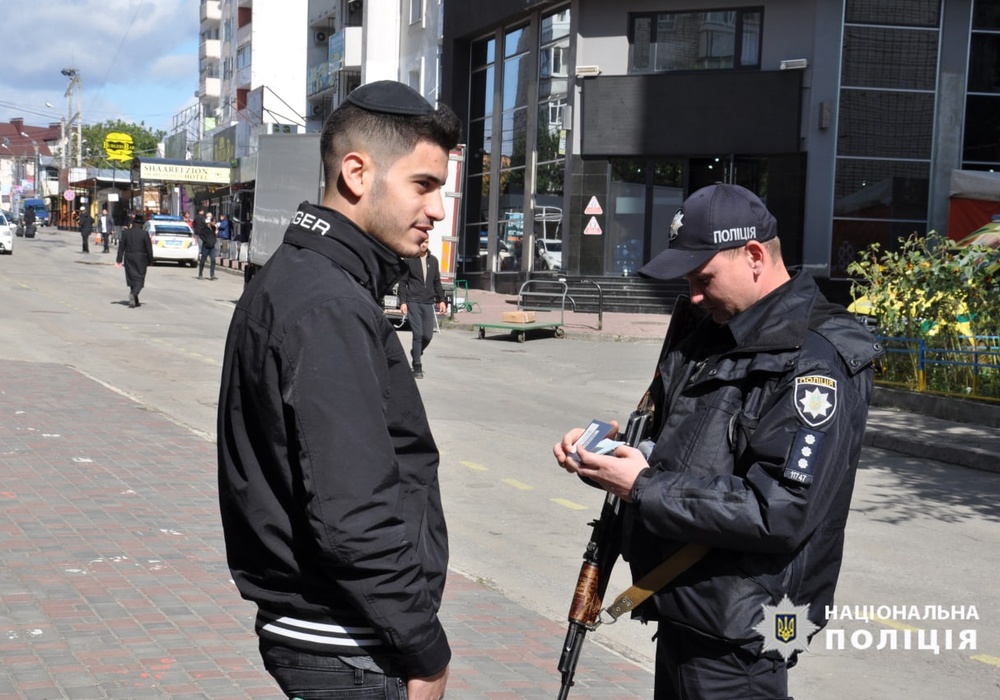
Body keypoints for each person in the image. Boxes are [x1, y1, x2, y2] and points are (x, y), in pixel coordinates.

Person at [554, 184, 883, 700]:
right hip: (685, 605)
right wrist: (621, 448)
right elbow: (689, 444)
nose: (694, 295)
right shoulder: (712, 330)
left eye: (702, 278)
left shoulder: (817, 360)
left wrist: (642, 486)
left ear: (754, 256)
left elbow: (779, 508)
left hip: (745, 637)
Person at [217, 80, 461, 700]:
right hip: (349, 645)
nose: (437, 210)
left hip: (332, 632)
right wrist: (425, 651)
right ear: (357, 173)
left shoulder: (303, 278)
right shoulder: (327, 304)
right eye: (424, 185)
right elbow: (353, 512)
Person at [398, 239, 446, 378]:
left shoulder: (434, 260)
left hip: (428, 302)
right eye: (421, 242)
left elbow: (437, 282)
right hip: (413, 301)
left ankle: (416, 352)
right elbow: (403, 282)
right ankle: (417, 365)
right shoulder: (409, 260)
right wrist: (403, 301)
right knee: (418, 334)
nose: (424, 245)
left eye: (426, 242)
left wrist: (441, 300)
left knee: (428, 336)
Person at [115, 212, 154, 308]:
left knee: (132, 277)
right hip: (141, 258)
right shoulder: (144, 234)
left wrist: (119, 260)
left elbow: (121, 247)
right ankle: (133, 293)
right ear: (141, 224)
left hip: (129, 257)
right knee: (140, 278)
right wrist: (150, 260)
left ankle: (135, 300)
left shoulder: (126, 233)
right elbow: (149, 248)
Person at [196, 211, 217, 279]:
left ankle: (212, 274)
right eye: (213, 222)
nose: (214, 223)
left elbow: (215, 236)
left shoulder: (214, 228)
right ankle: (200, 274)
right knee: (203, 260)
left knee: (213, 260)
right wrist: (205, 240)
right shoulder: (205, 228)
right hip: (205, 246)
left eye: (215, 222)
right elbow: (200, 234)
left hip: (212, 246)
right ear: (210, 222)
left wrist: (214, 241)